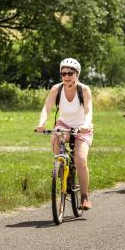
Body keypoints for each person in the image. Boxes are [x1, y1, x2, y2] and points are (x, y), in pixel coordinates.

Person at [35, 58, 94, 210]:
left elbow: (89, 111)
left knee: (81, 159)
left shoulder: (84, 90)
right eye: (63, 73)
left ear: (77, 74)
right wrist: (42, 123)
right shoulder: (56, 89)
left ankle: (85, 196)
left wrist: (86, 125)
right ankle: (61, 168)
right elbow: (46, 108)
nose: (66, 76)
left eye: (70, 73)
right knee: (55, 137)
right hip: (64, 124)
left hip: (82, 127)